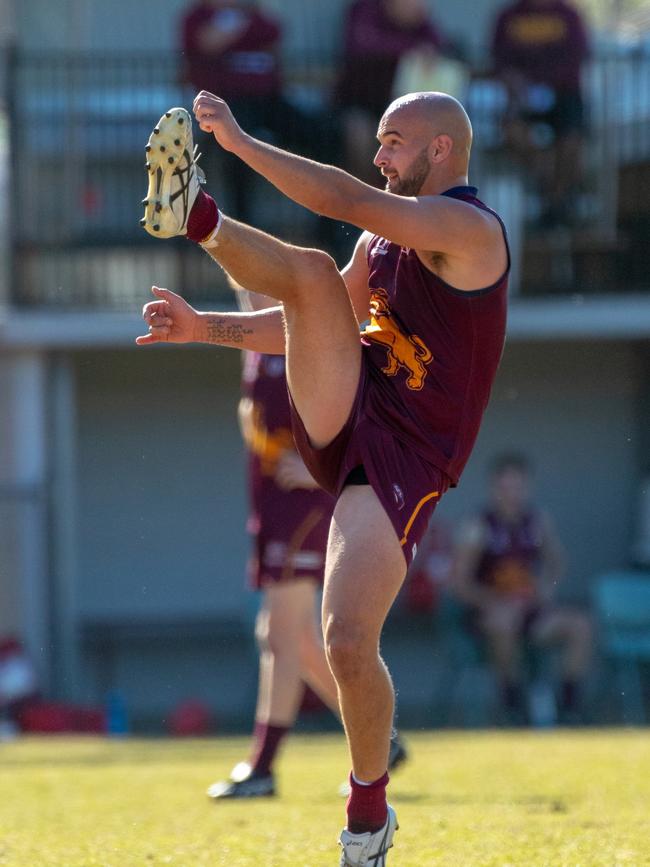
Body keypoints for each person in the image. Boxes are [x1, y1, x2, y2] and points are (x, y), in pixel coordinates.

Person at [137, 84, 509, 864]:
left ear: (441, 149)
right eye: (378, 138)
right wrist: (207, 328)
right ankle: (197, 214)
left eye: (394, 140)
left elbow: (341, 194)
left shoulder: (468, 229)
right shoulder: (383, 246)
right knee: (310, 276)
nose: (378, 155)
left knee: (343, 637)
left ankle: (368, 814)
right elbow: (311, 322)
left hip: (408, 459)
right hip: (350, 409)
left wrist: (239, 142)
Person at [207, 316, 407, 799]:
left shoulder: (315, 336)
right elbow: (251, 414)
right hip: (272, 503)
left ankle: (263, 765)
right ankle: (385, 739)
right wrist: (211, 238)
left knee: (279, 633)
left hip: (305, 505)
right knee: (289, 635)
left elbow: (366, 415)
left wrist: (325, 468)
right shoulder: (255, 339)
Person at [451, 453, 593, 725]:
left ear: (528, 488)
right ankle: (513, 706)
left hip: (531, 612)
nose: (512, 495)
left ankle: (569, 707)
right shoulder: (478, 526)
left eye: (518, 488)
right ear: (494, 488)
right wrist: (495, 602)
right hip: (489, 618)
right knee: (503, 624)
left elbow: (557, 563)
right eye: (506, 488)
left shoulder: (538, 521)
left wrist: (546, 588)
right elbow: (460, 584)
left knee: (581, 626)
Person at [180, 0, 333, 223]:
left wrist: (237, 27)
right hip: (226, 106)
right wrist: (238, 28)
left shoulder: (256, 15)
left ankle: (329, 227)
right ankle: (241, 229)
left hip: (269, 102)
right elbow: (208, 42)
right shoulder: (197, 17)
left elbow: (273, 33)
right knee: (236, 149)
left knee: (324, 134)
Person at [490, 0, 590, 227]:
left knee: (571, 145)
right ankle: (552, 190)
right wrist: (516, 82)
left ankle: (556, 206)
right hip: (521, 98)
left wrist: (547, 80)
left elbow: (578, 56)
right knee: (514, 133)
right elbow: (499, 59)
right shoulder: (508, 16)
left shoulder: (568, 16)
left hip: (565, 97)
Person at [336, 0, 444, 185]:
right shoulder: (365, 10)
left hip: (399, 110)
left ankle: (407, 206)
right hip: (357, 106)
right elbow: (364, 45)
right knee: (359, 137)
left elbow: (437, 42)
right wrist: (411, 49)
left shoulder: (419, 21)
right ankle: (362, 204)